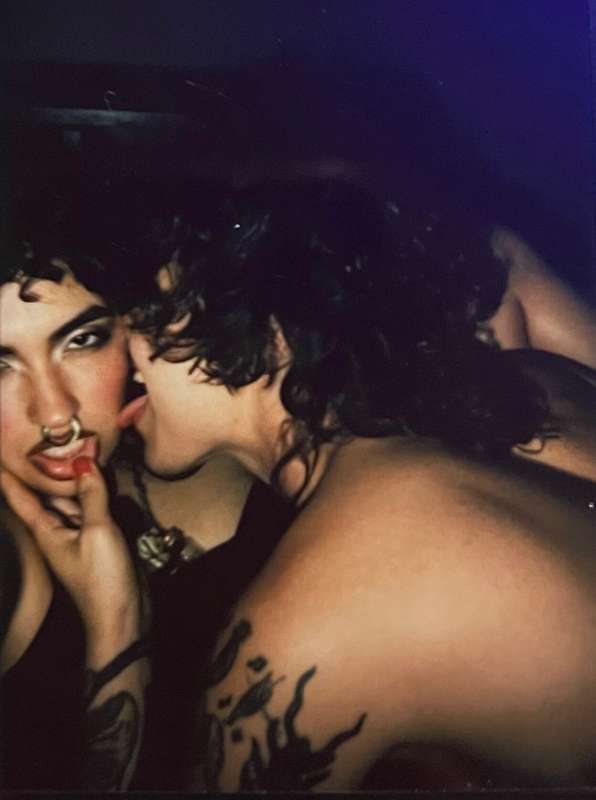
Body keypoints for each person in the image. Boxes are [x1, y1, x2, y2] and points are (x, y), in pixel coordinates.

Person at [109, 175, 596, 791]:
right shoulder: (534, 385)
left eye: (147, 317)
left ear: (269, 326)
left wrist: (109, 615)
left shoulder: (301, 630)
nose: (120, 352)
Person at [0, 183, 285, 790]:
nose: (56, 415)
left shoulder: (255, 464)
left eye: (82, 340)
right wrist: (116, 628)